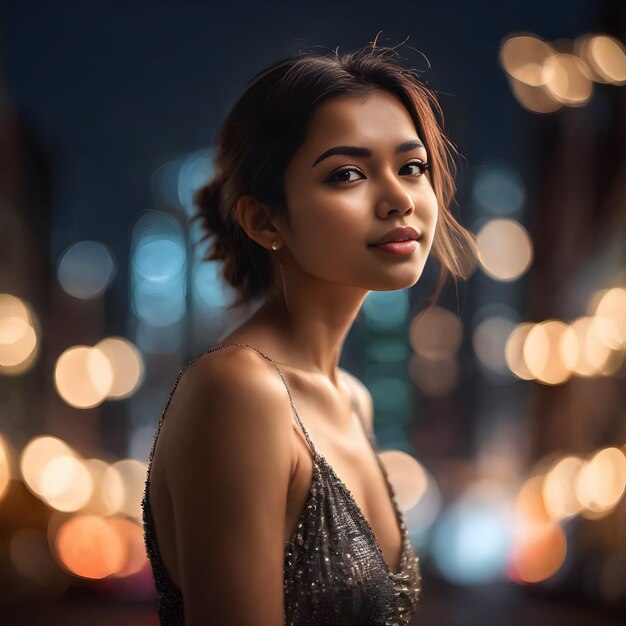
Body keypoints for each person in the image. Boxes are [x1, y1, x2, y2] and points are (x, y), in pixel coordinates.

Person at [141, 40, 476, 626]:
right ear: (265, 219)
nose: (399, 198)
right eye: (347, 174)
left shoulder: (353, 400)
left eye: (411, 166)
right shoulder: (238, 390)